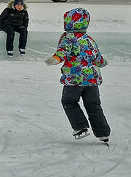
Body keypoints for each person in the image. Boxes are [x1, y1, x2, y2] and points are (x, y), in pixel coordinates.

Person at [46, 8, 110, 144]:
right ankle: (103, 133)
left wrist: (56, 58)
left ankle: (80, 127)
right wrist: (103, 63)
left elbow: (63, 51)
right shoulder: (89, 39)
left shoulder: (67, 37)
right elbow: (97, 57)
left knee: (69, 101)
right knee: (93, 105)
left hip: (74, 79)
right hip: (92, 80)